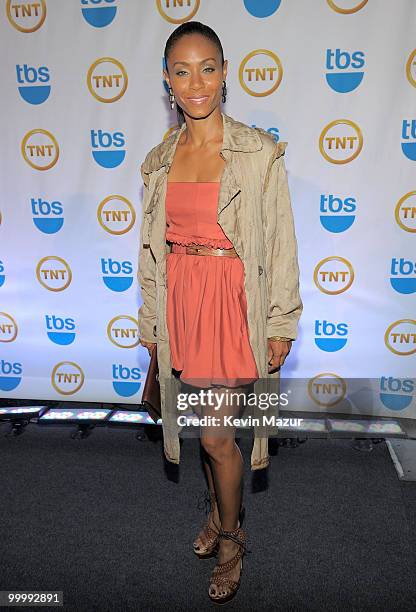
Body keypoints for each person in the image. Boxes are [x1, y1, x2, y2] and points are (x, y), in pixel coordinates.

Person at [137, 21, 303, 605]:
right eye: (181, 71)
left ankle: (232, 538)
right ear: (167, 80)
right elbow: (152, 251)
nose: (196, 82)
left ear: (226, 73)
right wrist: (152, 322)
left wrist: (281, 320)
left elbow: (281, 239)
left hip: (234, 303)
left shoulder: (257, 151)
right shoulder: (159, 160)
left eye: (207, 68)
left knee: (215, 438)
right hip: (184, 302)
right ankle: (217, 510)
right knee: (208, 435)